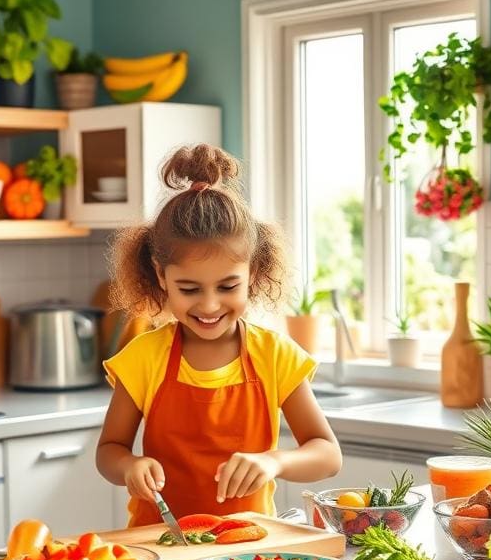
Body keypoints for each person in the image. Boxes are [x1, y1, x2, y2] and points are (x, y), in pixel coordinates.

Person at [96, 144, 343, 527]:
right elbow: (109, 451)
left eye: (228, 287)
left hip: (249, 549)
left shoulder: (275, 354)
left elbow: (328, 454)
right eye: (190, 290)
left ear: (253, 275)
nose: (209, 306)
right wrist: (130, 465)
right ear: (161, 276)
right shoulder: (144, 356)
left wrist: (274, 460)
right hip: (159, 542)